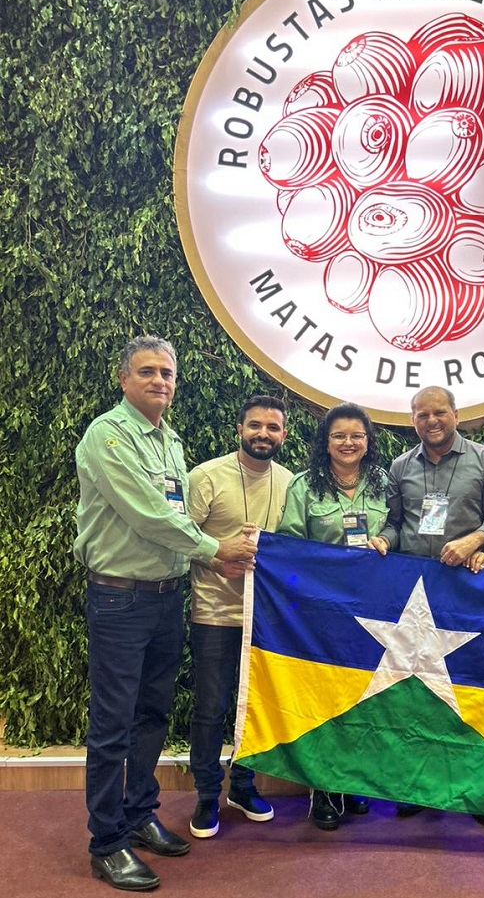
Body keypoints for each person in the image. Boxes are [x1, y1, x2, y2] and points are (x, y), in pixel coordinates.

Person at [74, 335, 258, 892]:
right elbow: (149, 514)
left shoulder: (169, 441)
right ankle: (106, 842)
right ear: (124, 379)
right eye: (148, 371)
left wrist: (203, 554)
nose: (160, 381)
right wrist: (213, 549)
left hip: (164, 595)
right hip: (120, 596)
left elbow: (170, 513)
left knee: (152, 712)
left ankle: (138, 813)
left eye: (168, 374)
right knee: (112, 723)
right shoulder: (108, 437)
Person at [370, 385, 484, 823]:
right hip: (414, 595)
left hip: (465, 590)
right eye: (422, 415)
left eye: (439, 413)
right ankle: (415, 787)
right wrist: (382, 541)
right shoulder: (399, 466)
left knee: (466, 691)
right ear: (413, 419)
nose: (432, 421)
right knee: (415, 695)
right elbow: (395, 523)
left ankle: (477, 791)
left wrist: (476, 541)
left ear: (455, 413)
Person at [276, 402, 389, 831]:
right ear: (326, 442)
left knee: (364, 697)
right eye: (339, 435)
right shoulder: (305, 487)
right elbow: (289, 544)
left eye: (357, 436)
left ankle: (353, 779)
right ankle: (323, 788)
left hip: (374, 612)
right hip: (322, 613)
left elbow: (397, 526)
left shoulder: (382, 484)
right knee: (324, 699)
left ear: (368, 441)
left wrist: (385, 537)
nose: (348, 443)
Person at [187, 395, 293, 839]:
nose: (263, 434)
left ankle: (243, 786)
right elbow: (180, 535)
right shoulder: (205, 476)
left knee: (252, 708)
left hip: (266, 620)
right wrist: (217, 560)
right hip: (214, 612)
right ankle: (207, 795)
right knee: (211, 708)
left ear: (283, 435)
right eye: (255, 426)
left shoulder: (290, 483)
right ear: (239, 429)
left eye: (272, 427)